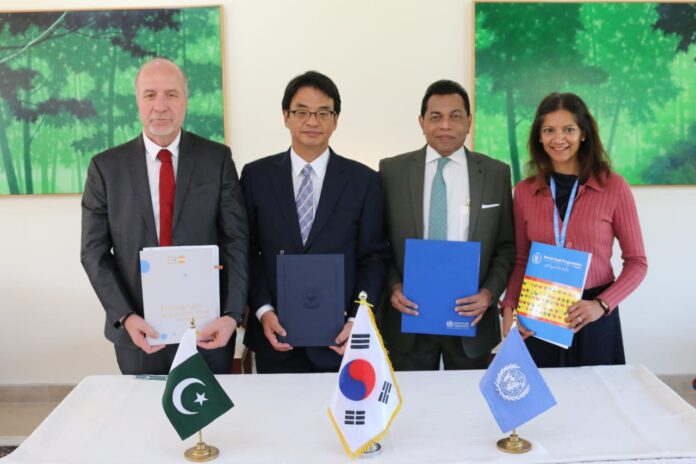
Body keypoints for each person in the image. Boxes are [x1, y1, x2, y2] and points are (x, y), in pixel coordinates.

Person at [81, 58, 248, 375]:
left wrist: (232, 315)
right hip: (139, 331)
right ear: (137, 101)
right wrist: (125, 316)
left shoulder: (217, 159)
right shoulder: (105, 168)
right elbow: (93, 252)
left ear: (185, 100)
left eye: (171, 94)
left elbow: (236, 241)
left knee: (210, 408)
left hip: (209, 329)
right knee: (145, 407)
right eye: (150, 95)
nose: (160, 106)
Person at [241, 71, 389, 373]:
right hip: (275, 338)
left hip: (340, 341)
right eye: (302, 112)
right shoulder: (256, 177)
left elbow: (373, 259)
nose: (313, 121)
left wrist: (357, 319)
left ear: (335, 120)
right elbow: (247, 253)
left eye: (323, 113)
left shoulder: (364, 181)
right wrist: (263, 311)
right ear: (286, 116)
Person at [501, 92, 648, 367]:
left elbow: (637, 262)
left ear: (583, 134)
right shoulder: (524, 192)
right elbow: (521, 259)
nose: (558, 139)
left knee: (596, 393)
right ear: (539, 137)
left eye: (568, 129)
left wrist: (602, 304)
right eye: (549, 130)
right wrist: (509, 306)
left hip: (593, 316)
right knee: (543, 392)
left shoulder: (614, 187)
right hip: (538, 313)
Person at [379, 80, 515, 370]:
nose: (445, 126)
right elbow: (378, 243)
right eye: (435, 117)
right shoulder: (392, 171)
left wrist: (489, 294)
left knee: (468, 399)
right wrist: (393, 287)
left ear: (468, 121)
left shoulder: (495, 173)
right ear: (421, 122)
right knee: (411, 399)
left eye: (455, 116)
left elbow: (506, 246)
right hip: (409, 318)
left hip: (471, 319)